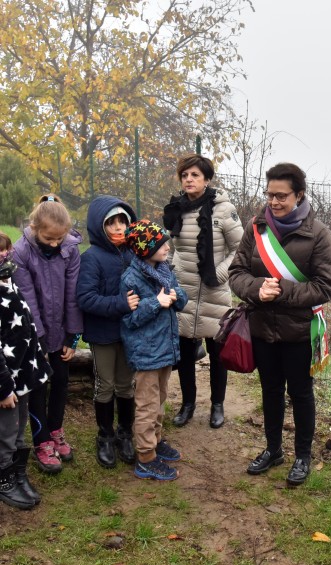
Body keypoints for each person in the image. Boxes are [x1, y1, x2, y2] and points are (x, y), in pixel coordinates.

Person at [229, 162, 331, 487]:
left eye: (282, 196)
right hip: (261, 327)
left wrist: (281, 291)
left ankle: (302, 456)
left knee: (301, 394)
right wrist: (255, 289)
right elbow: (236, 273)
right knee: (271, 391)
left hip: (300, 332)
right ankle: (273, 449)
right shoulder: (256, 229)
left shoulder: (319, 234)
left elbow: (326, 286)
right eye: (270, 195)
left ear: (299, 194)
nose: (274, 202)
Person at [163, 154, 244, 429]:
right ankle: (188, 404)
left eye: (195, 175)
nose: (188, 179)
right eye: (185, 175)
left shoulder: (223, 210)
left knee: (218, 353)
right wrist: (173, 273)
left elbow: (240, 249)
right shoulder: (177, 208)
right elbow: (174, 248)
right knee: (185, 352)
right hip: (183, 291)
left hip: (215, 292)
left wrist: (218, 274)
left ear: (207, 179)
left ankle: (217, 405)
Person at [12, 195, 83, 474]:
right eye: (49, 238)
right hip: (35, 334)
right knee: (38, 388)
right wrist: (38, 340)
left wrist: (72, 337)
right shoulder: (21, 252)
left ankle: (56, 431)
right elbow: (27, 299)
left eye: (59, 238)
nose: (55, 244)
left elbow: (73, 295)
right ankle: (41, 441)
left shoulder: (70, 249)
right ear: (34, 228)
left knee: (61, 382)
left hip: (62, 331)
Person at [120, 219, 188, 481]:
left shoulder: (164, 270)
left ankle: (156, 441)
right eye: (161, 245)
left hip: (165, 350)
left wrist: (174, 295)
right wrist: (156, 303)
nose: (167, 248)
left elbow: (181, 298)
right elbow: (130, 319)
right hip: (146, 353)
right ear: (144, 248)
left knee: (159, 400)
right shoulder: (131, 279)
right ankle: (146, 457)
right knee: (147, 405)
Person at [77, 196, 138, 468]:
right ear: (99, 226)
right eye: (111, 223)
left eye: (122, 221)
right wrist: (121, 304)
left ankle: (125, 432)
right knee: (105, 385)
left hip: (129, 333)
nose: (117, 227)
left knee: (126, 384)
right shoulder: (91, 258)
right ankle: (105, 435)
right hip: (103, 335)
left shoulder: (133, 253)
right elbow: (86, 299)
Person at [0, 233, 52, 509]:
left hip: (22, 375)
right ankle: (5, 481)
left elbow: (25, 325)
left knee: (20, 431)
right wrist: (4, 388)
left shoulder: (8, 282)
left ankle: (19, 475)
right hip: (5, 383)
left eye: (6, 250)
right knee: (5, 434)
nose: (4, 256)